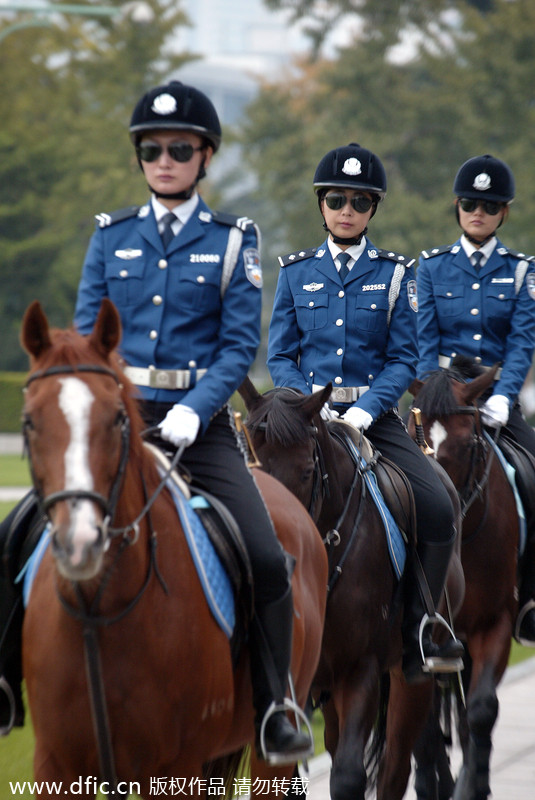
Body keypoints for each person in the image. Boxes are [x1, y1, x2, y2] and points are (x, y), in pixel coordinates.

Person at [0, 80, 312, 764]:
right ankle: (5, 685)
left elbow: (238, 347)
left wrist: (195, 416)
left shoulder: (235, 240)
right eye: (151, 149)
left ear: (205, 157)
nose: (163, 160)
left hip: (198, 428)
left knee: (264, 555)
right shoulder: (111, 236)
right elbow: (86, 337)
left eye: (178, 148)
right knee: (16, 532)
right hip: (114, 418)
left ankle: (273, 705)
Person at [267, 142, 464, 684]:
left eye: (359, 200)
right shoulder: (294, 273)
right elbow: (280, 355)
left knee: (437, 504)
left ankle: (421, 625)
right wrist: (308, 402)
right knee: (257, 507)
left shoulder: (396, 274)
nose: (347, 208)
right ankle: (263, 633)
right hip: (307, 418)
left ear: (373, 208)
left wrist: (364, 411)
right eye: (336, 199)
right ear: (322, 205)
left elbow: (405, 360)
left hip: (373, 421)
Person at [416, 154, 535, 646]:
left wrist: (505, 397)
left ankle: (527, 597)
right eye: (469, 204)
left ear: (502, 212)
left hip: (495, 404)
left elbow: (522, 343)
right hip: (444, 404)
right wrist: (435, 398)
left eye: (488, 206)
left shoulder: (521, 271)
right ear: (457, 207)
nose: (477, 213)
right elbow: (423, 347)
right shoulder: (430, 267)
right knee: (396, 481)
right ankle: (406, 599)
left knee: (533, 473)